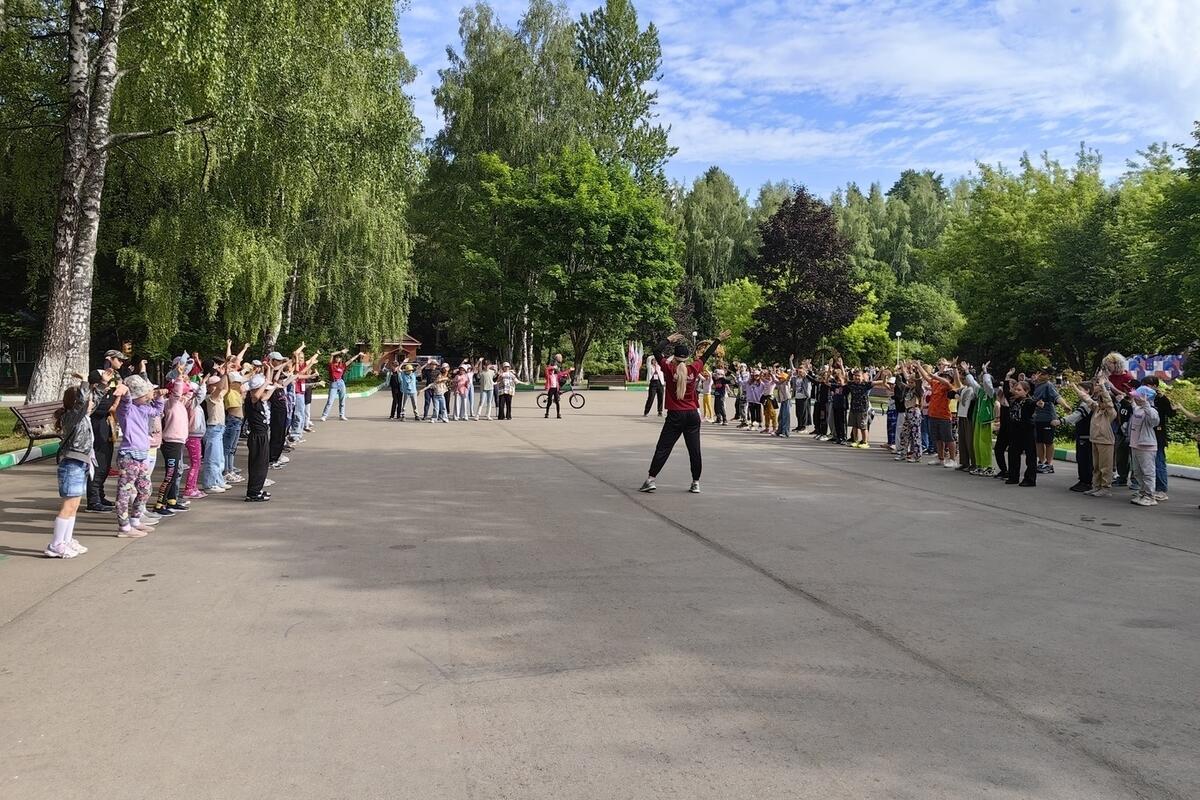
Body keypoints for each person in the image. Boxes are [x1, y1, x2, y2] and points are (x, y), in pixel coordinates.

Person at [639, 330, 730, 494]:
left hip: (675, 415)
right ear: (688, 357)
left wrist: (668, 339)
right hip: (692, 414)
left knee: (663, 448)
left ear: (674, 357)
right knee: (694, 450)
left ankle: (651, 480)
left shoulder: (668, 368)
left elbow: (656, 351)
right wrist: (717, 340)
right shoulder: (694, 368)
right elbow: (706, 355)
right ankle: (696, 482)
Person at [44, 376, 102, 558]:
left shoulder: (82, 416)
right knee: (68, 505)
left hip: (81, 462)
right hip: (71, 464)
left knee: (74, 505)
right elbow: (82, 403)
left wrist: (102, 385)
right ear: (78, 403)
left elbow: (94, 401)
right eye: (87, 402)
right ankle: (56, 544)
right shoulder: (72, 417)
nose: (91, 405)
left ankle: (66, 540)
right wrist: (85, 383)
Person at [113, 375, 165, 536]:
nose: (147, 396)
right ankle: (124, 527)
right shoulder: (126, 410)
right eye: (144, 394)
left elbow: (157, 411)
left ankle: (135, 520)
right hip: (129, 455)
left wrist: (159, 397)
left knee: (145, 489)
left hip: (142, 454)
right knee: (125, 492)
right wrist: (126, 391)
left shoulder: (143, 408)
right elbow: (126, 401)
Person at [154, 354, 194, 516]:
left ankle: (171, 500)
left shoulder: (180, 403)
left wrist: (187, 379)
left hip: (178, 441)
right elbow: (178, 392)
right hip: (170, 442)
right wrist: (178, 377)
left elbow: (191, 393)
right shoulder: (170, 402)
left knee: (176, 472)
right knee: (170, 474)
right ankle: (159, 504)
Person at [84, 366, 121, 512]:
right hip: (96, 435)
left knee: (105, 467)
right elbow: (105, 407)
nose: (107, 385)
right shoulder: (91, 397)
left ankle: (100, 495)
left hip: (105, 434)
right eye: (104, 381)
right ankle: (93, 501)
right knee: (97, 468)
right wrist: (115, 397)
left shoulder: (104, 394)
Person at [1077, 378, 1117, 497]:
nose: (1100, 404)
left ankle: (1105, 487)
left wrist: (1103, 387)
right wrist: (1075, 387)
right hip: (1095, 439)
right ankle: (1096, 486)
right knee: (1096, 466)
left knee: (1105, 467)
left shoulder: (1110, 413)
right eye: (1099, 401)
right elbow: (1087, 399)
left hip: (1106, 441)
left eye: (1102, 401)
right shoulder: (1097, 410)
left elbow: (1108, 401)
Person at [243, 366, 277, 501]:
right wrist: (266, 383)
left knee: (262, 464)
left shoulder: (259, 400)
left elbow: (265, 394)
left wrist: (270, 381)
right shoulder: (252, 399)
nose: (265, 392)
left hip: (262, 435)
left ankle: (258, 488)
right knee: (257, 464)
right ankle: (253, 492)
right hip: (257, 436)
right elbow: (256, 394)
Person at [1125, 385, 1161, 507]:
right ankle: (1142, 492)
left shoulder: (1151, 410)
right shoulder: (1138, 409)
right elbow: (1133, 406)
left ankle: (1150, 496)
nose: (1134, 398)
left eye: (1137, 396)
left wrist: (1146, 404)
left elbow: (1154, 421)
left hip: (1146, 446)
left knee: (1148, 472)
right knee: (1137, 472)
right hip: (1135, 445)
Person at [1139, 375, 1174, 501]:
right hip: (1145, 435)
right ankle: (1147, 489)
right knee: (1147, 465)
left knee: (1159, 462)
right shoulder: (1143, 398)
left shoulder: (1161, 399)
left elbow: (1171, 413)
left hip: (1158, 435)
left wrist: (1163, 398)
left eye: (1148, 385)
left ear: (1155, 386)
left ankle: (1161, 489)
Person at [1005, 380, 1038, 486]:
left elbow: (1034, 404)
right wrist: (1007, 379)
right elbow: (1006, 392)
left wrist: (1039, 403)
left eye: (1019, 390)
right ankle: (1013, 476)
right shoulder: (1014, 400)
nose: (1016, 391)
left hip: (1027, 431)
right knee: (1013, 454)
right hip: (1015, 431)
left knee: (1030, 455)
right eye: (1016, 389)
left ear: (1026, 391)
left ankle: (1030, 479)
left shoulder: (1028, 401)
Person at [320, 348, 364, 421]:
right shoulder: (331, 365)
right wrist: (341, 351)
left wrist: (358, 354)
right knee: (330, 401)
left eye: (339, 357)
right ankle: (324, 416)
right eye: (337, 357)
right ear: (335, 358)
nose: (338, 359)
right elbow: (331, 354)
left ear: (340, 359)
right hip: (333, 384)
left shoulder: (342, 366)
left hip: (341, 383)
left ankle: (342, 415)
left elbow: (350, 360)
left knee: (342, 400)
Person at [544, 355, 571, 420]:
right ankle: (547, 413)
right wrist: (553, 367)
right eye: (553, 370)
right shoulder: (549, 375)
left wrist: (569, 370)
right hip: (551, 389)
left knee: (557, 402)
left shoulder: (556, 375)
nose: (554, 370)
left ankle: (558, 414)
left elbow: (562, 373)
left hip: (556, 388)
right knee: (549, 402)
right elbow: (547, 369)